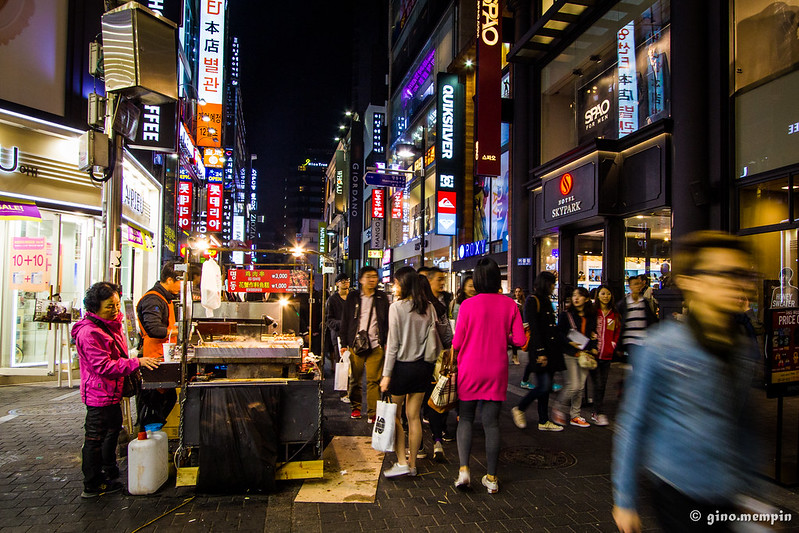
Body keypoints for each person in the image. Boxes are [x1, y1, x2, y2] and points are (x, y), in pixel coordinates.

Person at [612, 231, 762, 533]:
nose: (734, 283)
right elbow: (634, 423)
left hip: (728, 491)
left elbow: (743, 424)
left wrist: (751, 492)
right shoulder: (662, 346)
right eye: (722, 274)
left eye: (740, 274)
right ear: (691, 282)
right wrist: (625, 499)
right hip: (677, 490)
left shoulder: (742, 349)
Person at [73, 282, 159, 498]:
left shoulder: (111, 325)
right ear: (94, 307)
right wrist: (136, 362)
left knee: (112, 433)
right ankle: (92, 484)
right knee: (95, 438)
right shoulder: (89, 333)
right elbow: (103, 366)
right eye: (109, 307)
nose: (115, 310)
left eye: (117, 305)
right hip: (98, 393)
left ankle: (109, 473)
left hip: (113, 392)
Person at [452, 258, 526, 494]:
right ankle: (492, 478)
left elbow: (457, 342)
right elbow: (519, 341)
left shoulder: (467, 305)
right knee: (491, 424)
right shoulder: (510, 305)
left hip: (469, 369)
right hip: (496, 369)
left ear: (477, 279)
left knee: (465, 419)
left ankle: (464, 470)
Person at [380, 267, 444, 477]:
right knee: (414, 417)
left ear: (404, 284)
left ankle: (401, 462)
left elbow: (393, 345)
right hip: (422, 368)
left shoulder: (396, 308)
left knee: (396, 416)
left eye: (397, 283)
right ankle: (413, 464)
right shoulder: (428, 307)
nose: (395, 286)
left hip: (401, 368)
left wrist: (386, 375)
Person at [511, 272, 565, 432]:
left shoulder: (546, 300)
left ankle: (543, 420)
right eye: (552, 284)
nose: (554, 287)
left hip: (551, 350)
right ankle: (520, 408)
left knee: (546, 387)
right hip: (539, 350)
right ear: (545, 284)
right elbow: (534, 328)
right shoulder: (532, 300)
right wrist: (540, 351)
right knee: (544, 386)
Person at [340, 266, 389, 423]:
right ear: (361, 279)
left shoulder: (382, 297)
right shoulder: (353, 297)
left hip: (376, 345)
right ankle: (356, 407)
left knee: (373, 380)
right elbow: (345, 320)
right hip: (356, 344)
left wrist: (386, 341)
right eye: (368, 276)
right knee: (355, 379)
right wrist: (344, 343)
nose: (372, 279)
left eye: (375, 276)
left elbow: (387, 321)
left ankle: (373, 413)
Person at [135, 261, 181, 429]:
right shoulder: (153, 299)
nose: (181, 287)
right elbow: (153, 329)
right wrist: (179, 331)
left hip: (163, 356)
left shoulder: (165, 298)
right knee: (154, 405)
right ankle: (146, 441)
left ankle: (153, 439)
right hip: (153, 359)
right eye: (179, 282)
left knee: (167, 399)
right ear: (169, 279)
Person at [419, 273, 454, 461]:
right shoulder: (438, 308)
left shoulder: (408, 308)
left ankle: (418, 447)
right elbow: (447, 336)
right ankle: (438, 439)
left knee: (415, 405)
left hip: (416, 363)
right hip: (436, 362)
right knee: (435, 402)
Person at [553, 286, 597, 428]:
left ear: (586, 298)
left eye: (579, 295)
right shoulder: (566, 315)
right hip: (570, 354)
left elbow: (593, 334)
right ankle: (558, 407)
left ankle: (575, 415)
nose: (576, 298)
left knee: (580, 387)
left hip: (585, 355)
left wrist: (593, 346)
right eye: (574, 295)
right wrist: (569, 342)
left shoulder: (590, 316)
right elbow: (559, 333)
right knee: (574, 385)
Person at [591, 285, 620, 426]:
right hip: (593, 354)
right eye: (603, 293)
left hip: (607, 355)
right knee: (597, 384)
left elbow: (617, 331)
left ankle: (597, 411)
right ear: (598, 295)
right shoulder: (593, 312)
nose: (605, 296)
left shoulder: (614, 314)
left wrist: (613, 344)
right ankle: (597, 411)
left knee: (602, 385)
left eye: (608, 294)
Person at [617, 274, 659, 361]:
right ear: (630, 286)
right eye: (635, 284)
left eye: (639, 284)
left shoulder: (644, 302)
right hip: (630, 340)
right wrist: (619, 345)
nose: (638, 286)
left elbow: (651, 320)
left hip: (643, 340)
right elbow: (620, 325)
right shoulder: (624, 304)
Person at [325, 273, 350, 401]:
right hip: (339, 336)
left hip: (352, 336)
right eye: (342, 281)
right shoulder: (332, 300)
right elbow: (329, 320)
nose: (346, 283)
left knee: (353, 365)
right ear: (337, 284)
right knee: (342, 364)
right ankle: (343, 392)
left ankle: (351, 390)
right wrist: (343, 324)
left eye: (347, 280)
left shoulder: (353, 298)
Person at [510, 287, 526, 365]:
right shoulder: (513, 302)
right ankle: (515, 356)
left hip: (522, 323)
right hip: (514, 323)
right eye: (516, 292)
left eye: (519, 292)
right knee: (514, 339)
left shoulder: (524, 302)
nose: (517, 293)